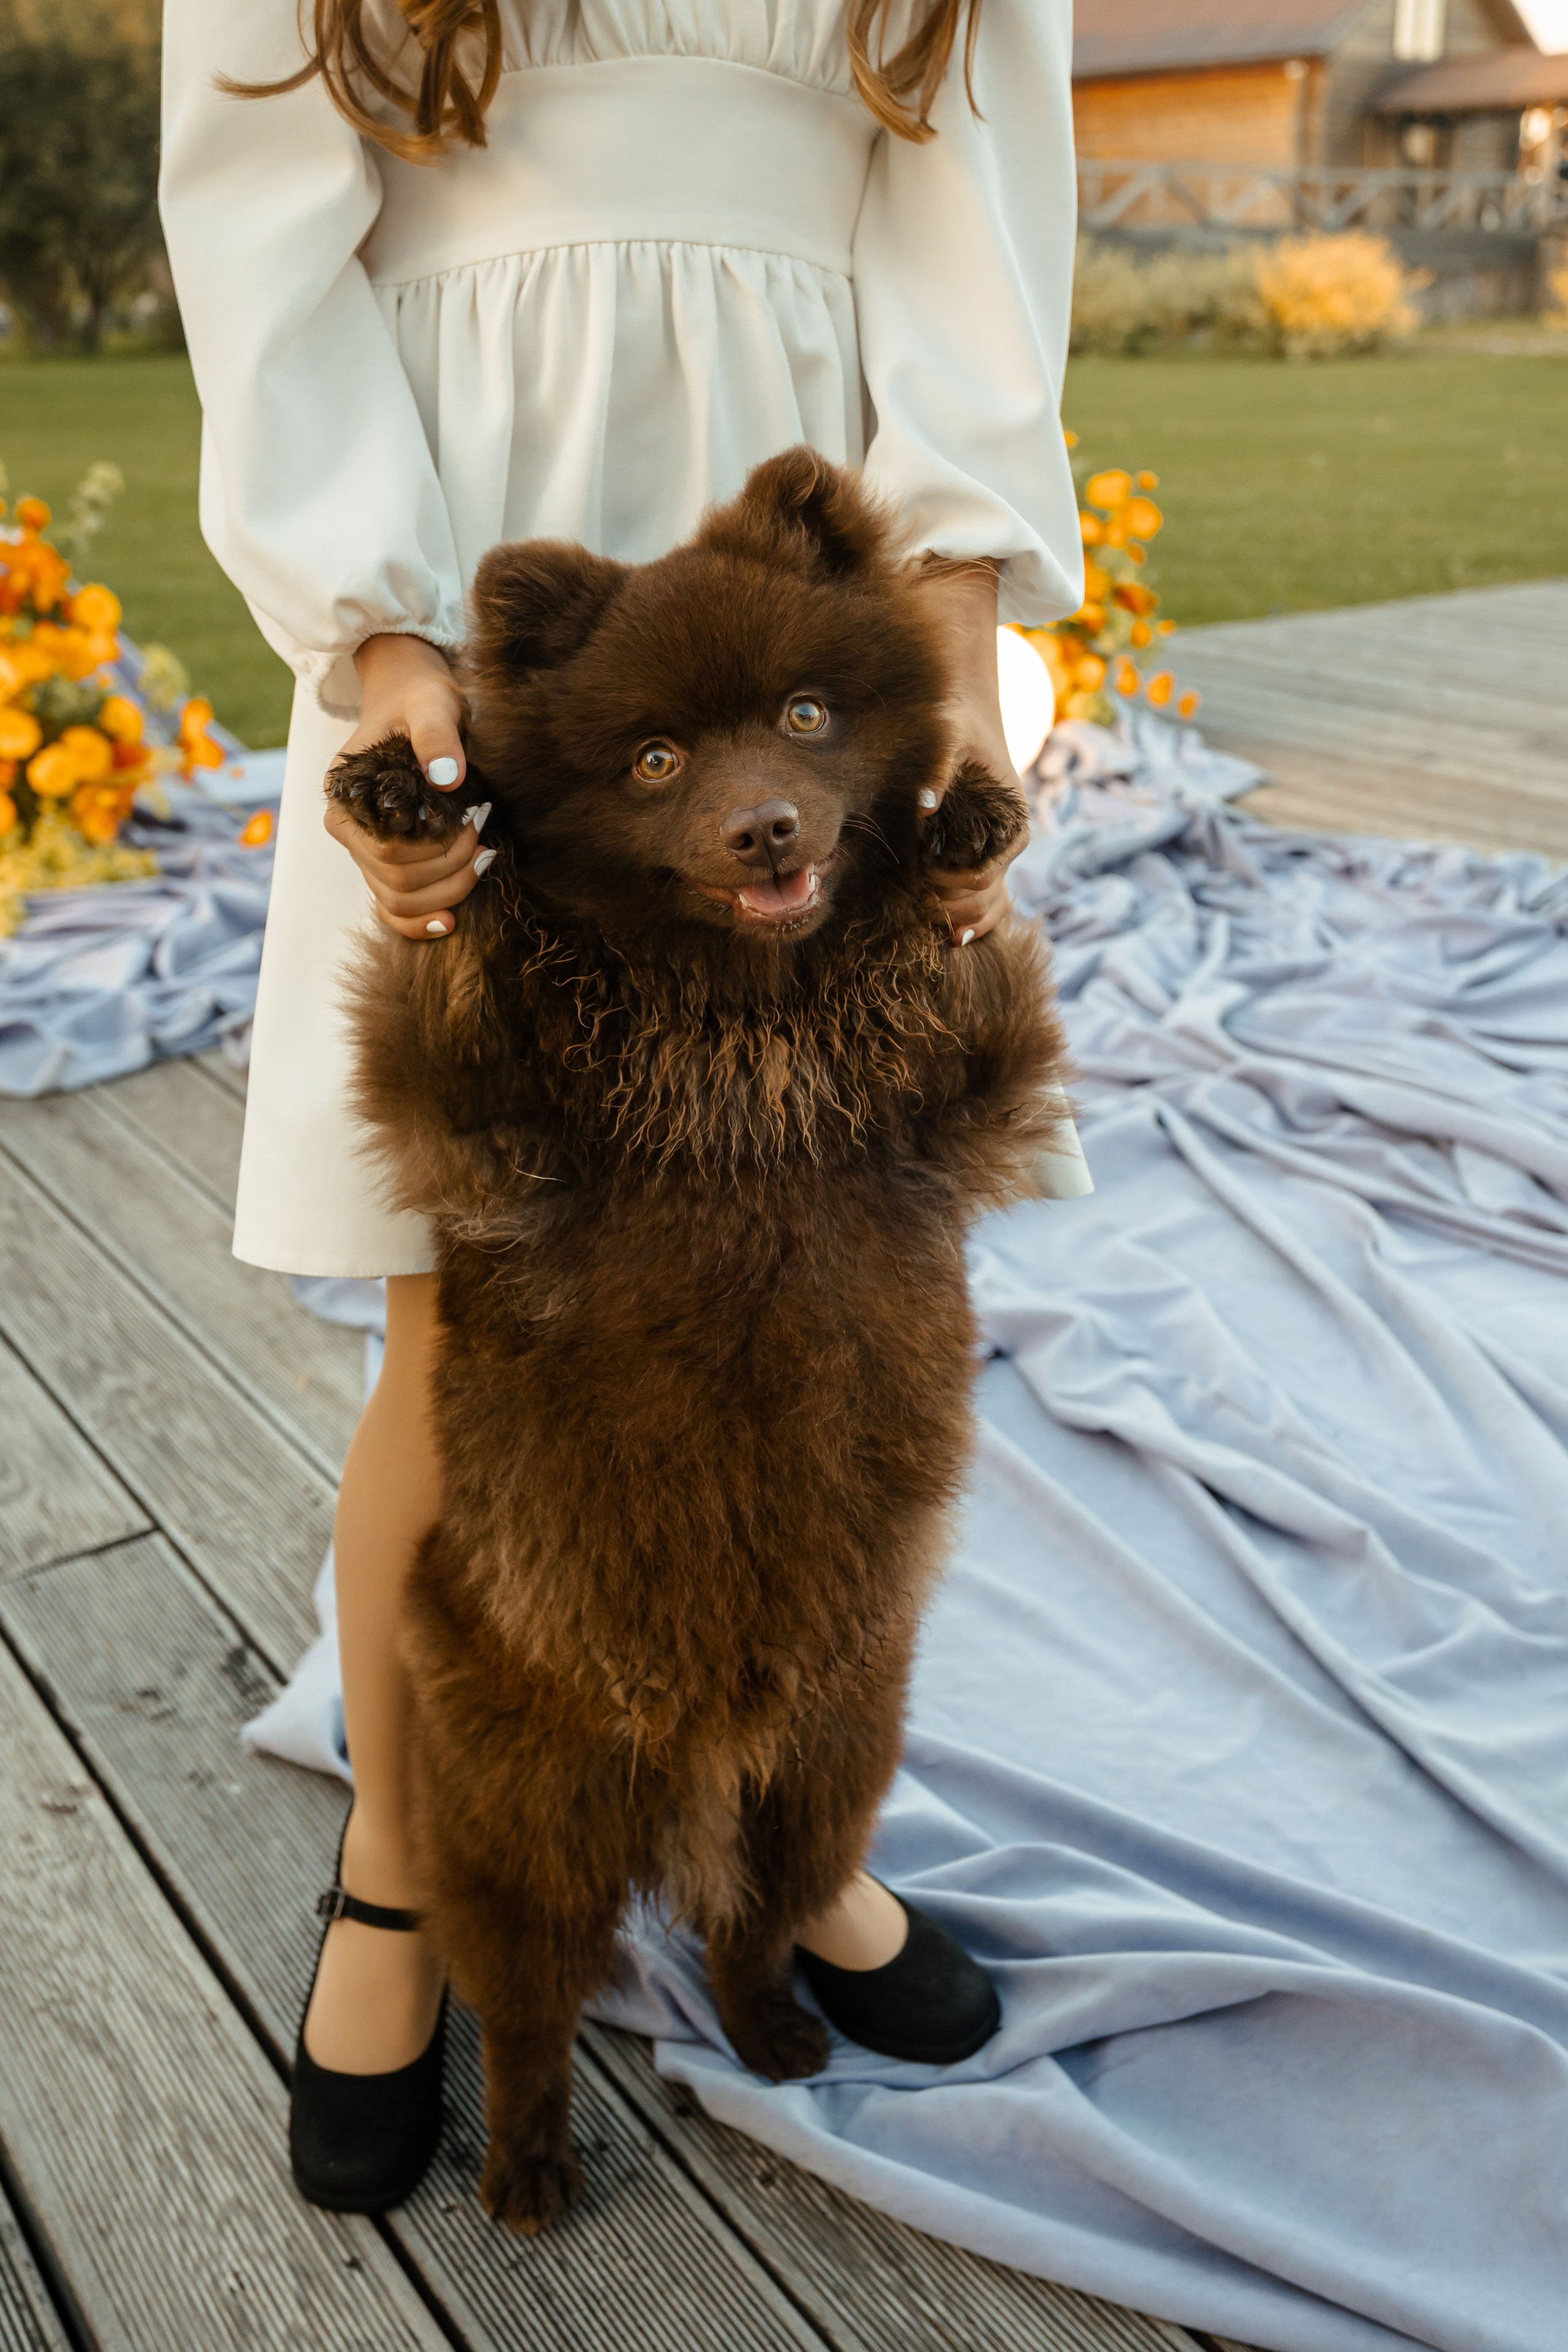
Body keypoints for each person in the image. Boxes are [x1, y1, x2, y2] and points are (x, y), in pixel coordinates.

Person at [160, 0, 1088, 2215]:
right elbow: (265, 222)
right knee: (464, 1310)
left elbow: (968, 185)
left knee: (845, 1244)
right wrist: (394, 646)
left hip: (800, 557)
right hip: (475, 551)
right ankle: (405, 1868)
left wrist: (943, 630)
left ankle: (798, 1846)